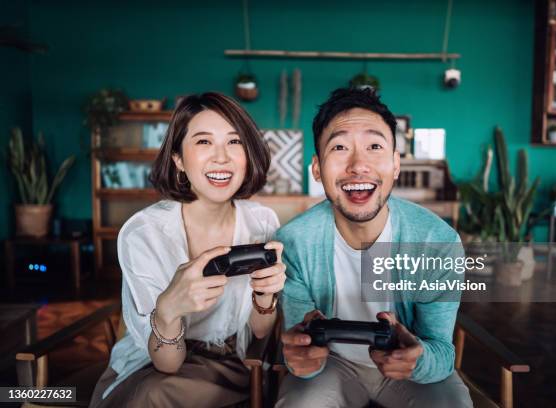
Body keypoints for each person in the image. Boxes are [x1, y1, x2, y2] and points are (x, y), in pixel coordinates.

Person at [275, 88, 472, 407]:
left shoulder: (436, 242)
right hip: (333, 367)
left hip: (410, 373)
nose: (358, 164)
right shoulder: (294, 242)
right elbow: (302, 349)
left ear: (396, 164)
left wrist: (418, 359)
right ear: (316, 168)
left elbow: (442, 351)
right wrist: (302, 359)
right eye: (339, 147)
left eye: (374, 146)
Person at [90, 92, 286, 407]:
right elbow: (167, 364)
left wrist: (265, 296)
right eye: (204, 142)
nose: (221, 157)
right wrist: (168, 310)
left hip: (233, 363)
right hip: (150, 362)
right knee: (150, 393)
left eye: (234, 142)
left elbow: (261, 331)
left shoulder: (261, 221)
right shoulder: (144, 234)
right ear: (178, 159)